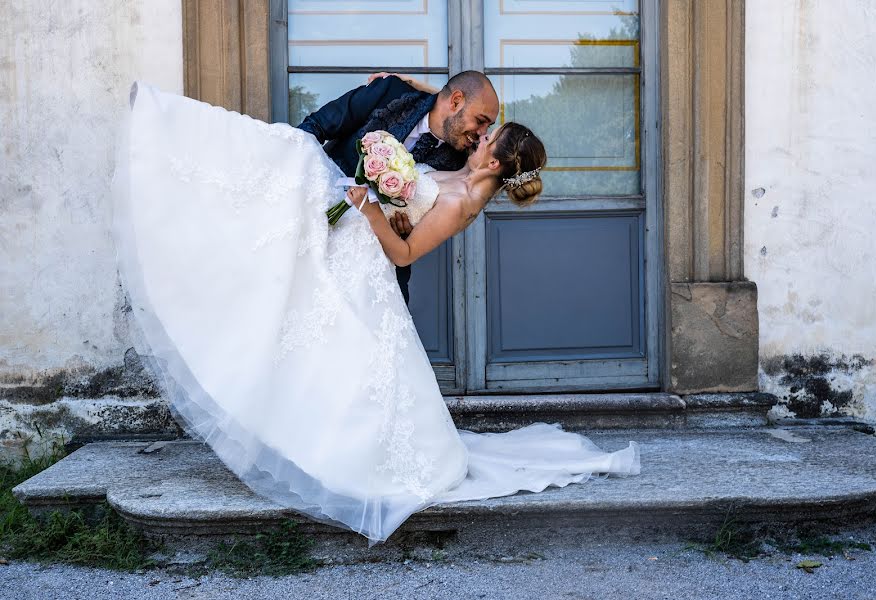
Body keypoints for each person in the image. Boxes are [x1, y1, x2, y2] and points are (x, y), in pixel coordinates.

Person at [113, 81, 640, 546]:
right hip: (350, 246)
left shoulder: (462, 202)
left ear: (495, 161)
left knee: (343, 354)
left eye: (486, 137)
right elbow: (448, 112)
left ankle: (325, 449)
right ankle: (170, 128)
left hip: (368, 258)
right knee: (291, 162)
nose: (479, 137)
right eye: (481, 125)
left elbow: (404, 253)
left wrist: (368, 207)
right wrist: (409, 88)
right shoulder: (460, 169)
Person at [297, 71, 500, 305]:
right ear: (455, 101)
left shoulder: (460, 163)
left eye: (488, 127)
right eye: (481, 120)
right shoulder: (391, 93)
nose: (482, 133)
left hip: (372, 250)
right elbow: (316, 126)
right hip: (316, 213)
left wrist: (406, 230)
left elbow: (425, 228)